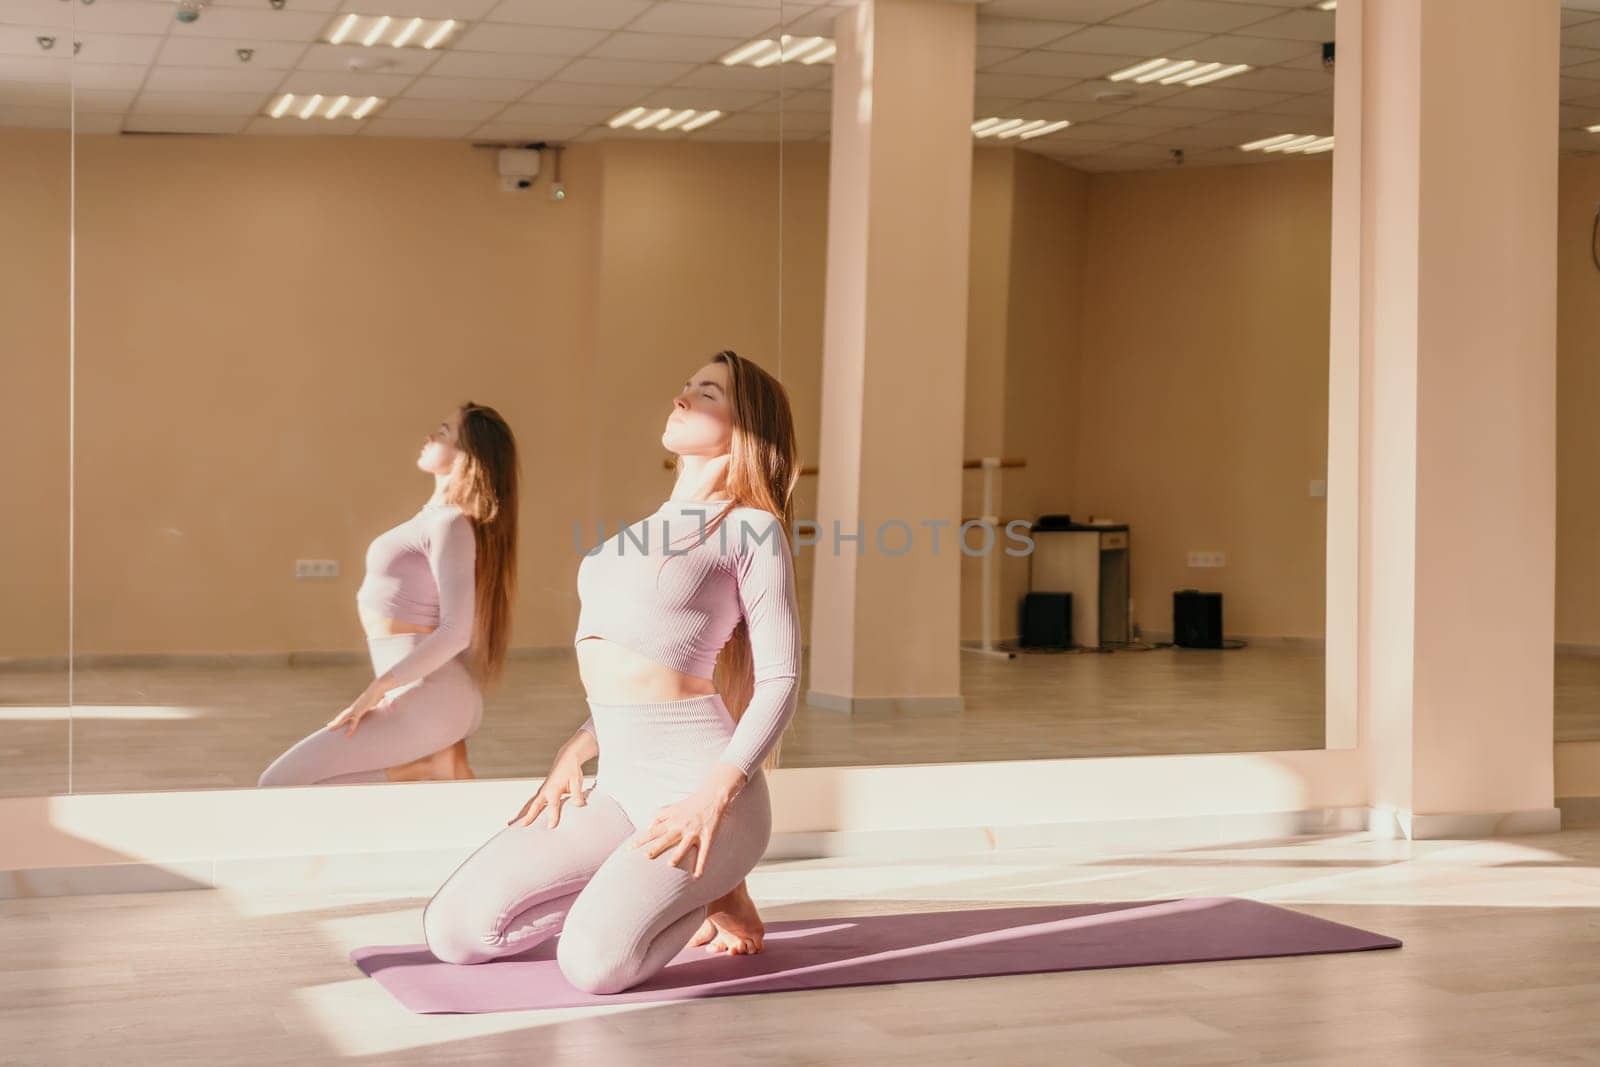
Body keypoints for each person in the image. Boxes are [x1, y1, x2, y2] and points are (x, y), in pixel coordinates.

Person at [421, 350, 801, 995]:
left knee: (594, 966)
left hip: (703, 787)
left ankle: (709, 888)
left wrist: (713, 798)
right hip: (622, 784)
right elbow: (633, 664)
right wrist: (579, 744)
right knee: (456, 933)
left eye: (706, 393)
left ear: (746, 426)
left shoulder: (750, 529)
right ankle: (680, 890)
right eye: (684, 386)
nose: (681, 398)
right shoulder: (641, 530)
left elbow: (781, 681)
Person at [258, 402, 519, 787]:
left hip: (429, 697)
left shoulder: (450, 524)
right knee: (294, 786)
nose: (430, 436)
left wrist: (378, 690)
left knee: (279, 784)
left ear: (468, 455)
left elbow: (457, 631)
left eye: (445, 432)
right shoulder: (435, 519)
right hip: (425, 696)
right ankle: (433, 767)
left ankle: (428, 769)